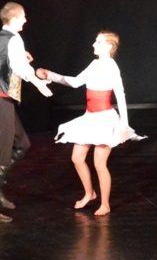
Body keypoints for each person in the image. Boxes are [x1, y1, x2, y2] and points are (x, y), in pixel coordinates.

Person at [37, 31, 144, 216]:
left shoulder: (112, 67)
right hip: (90, 117)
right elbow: (75, 82)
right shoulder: (94, 64)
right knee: (77, 158)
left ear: (109, 46)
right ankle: (90, 193)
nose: (94, 44)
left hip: (105, 120)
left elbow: (120, 95)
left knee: (99, 163)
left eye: (98, 42)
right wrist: (50, 75)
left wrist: (124, 126)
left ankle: (105, 204)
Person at [0, 2, 53, 223]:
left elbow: (0, 61)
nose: (25, 20)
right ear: (15, 18)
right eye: (23, 17)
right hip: (0, 101)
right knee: (2, 154)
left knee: (23, 144)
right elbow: (20, 68)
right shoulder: (15, 39)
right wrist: (38, 83)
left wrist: (20, 55)